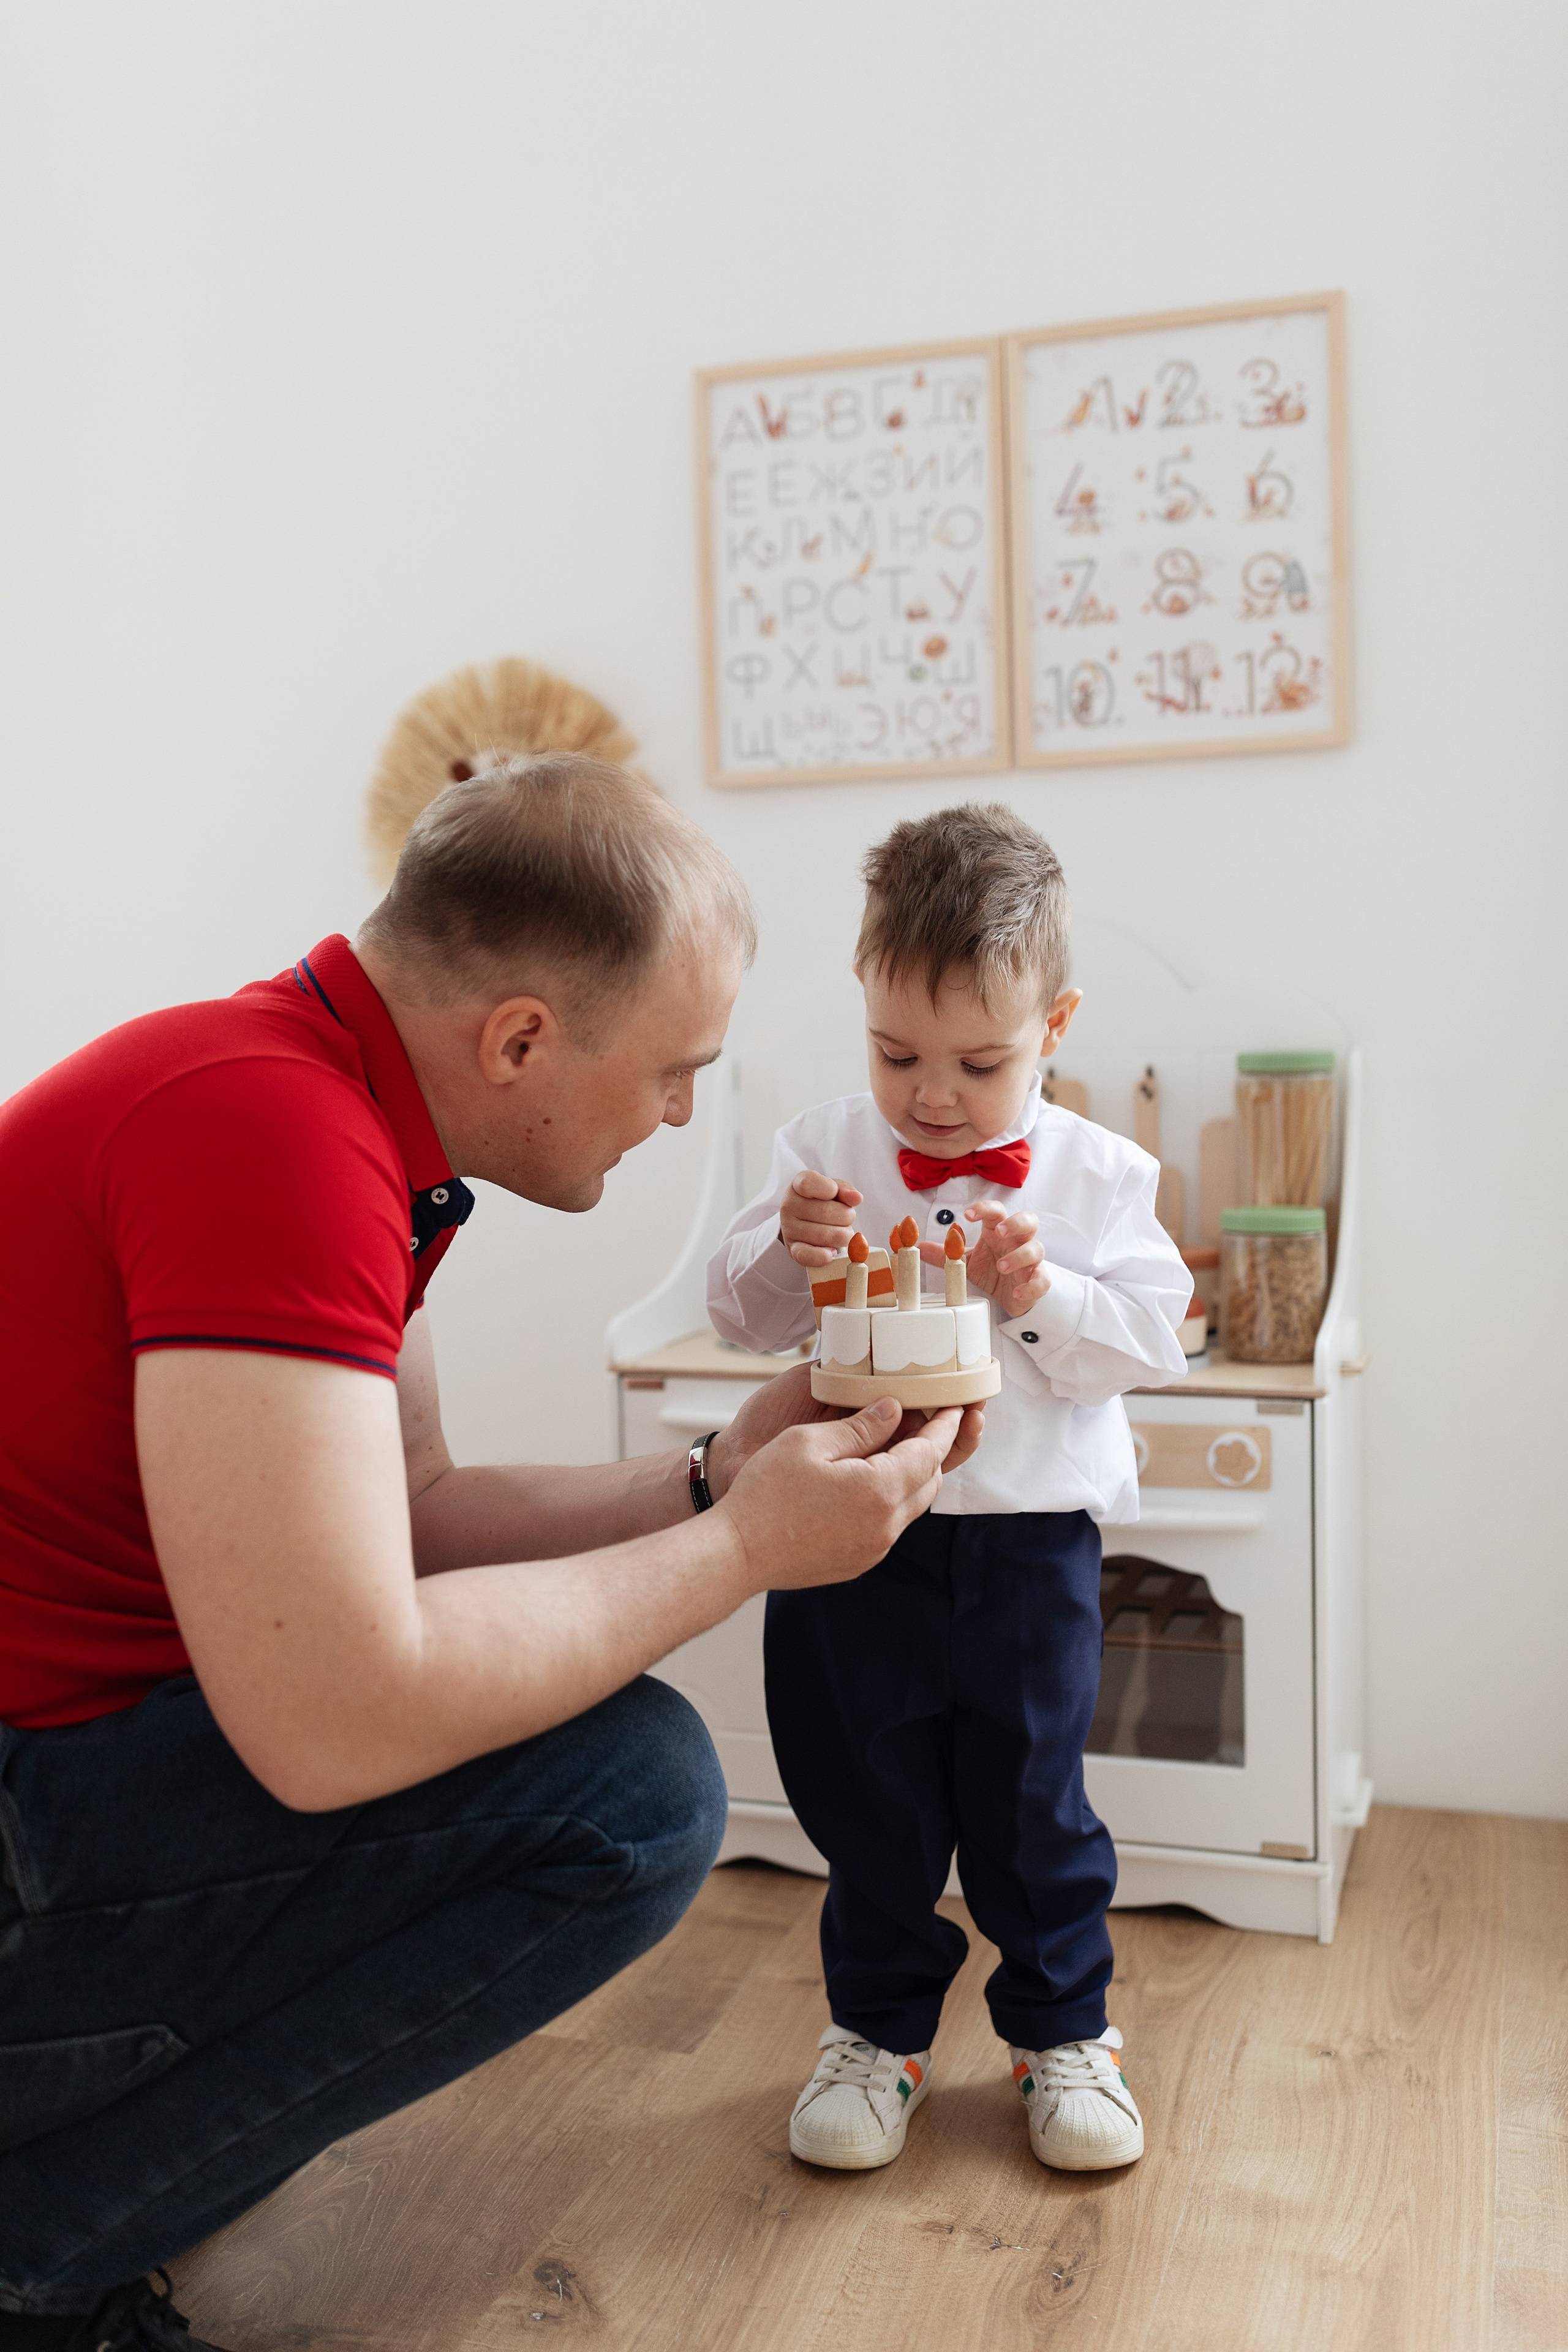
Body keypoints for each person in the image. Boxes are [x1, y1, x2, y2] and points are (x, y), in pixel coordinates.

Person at [0, 755, 983, 2349]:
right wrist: (744, 1549)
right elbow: (332, 1721)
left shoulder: (318, 1104)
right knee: (634, 1798)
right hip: (28, 1794)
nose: (679, 1116)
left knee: (596, 1756)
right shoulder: (274, 1145)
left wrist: (710, 1475)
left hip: (70, 1752)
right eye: (676, 1071)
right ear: (520, 1036)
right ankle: (38, 2259)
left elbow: (420, 1513)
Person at [707, 803, 1193, 2176]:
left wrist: (1041, 1297)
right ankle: (876, 2034)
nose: (929, 1095)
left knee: (1032, 1803)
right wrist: (781, 1250)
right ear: (861, 1010)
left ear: (1054, 1025)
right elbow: (740, 1320)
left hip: (1029, 1549)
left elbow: (1152, 1342)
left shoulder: (1104, 1178)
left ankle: (1061, 2036)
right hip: (847, 1534)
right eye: (894, 1052)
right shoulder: (819, 1153)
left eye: (976, 1062)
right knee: (863, 1799)